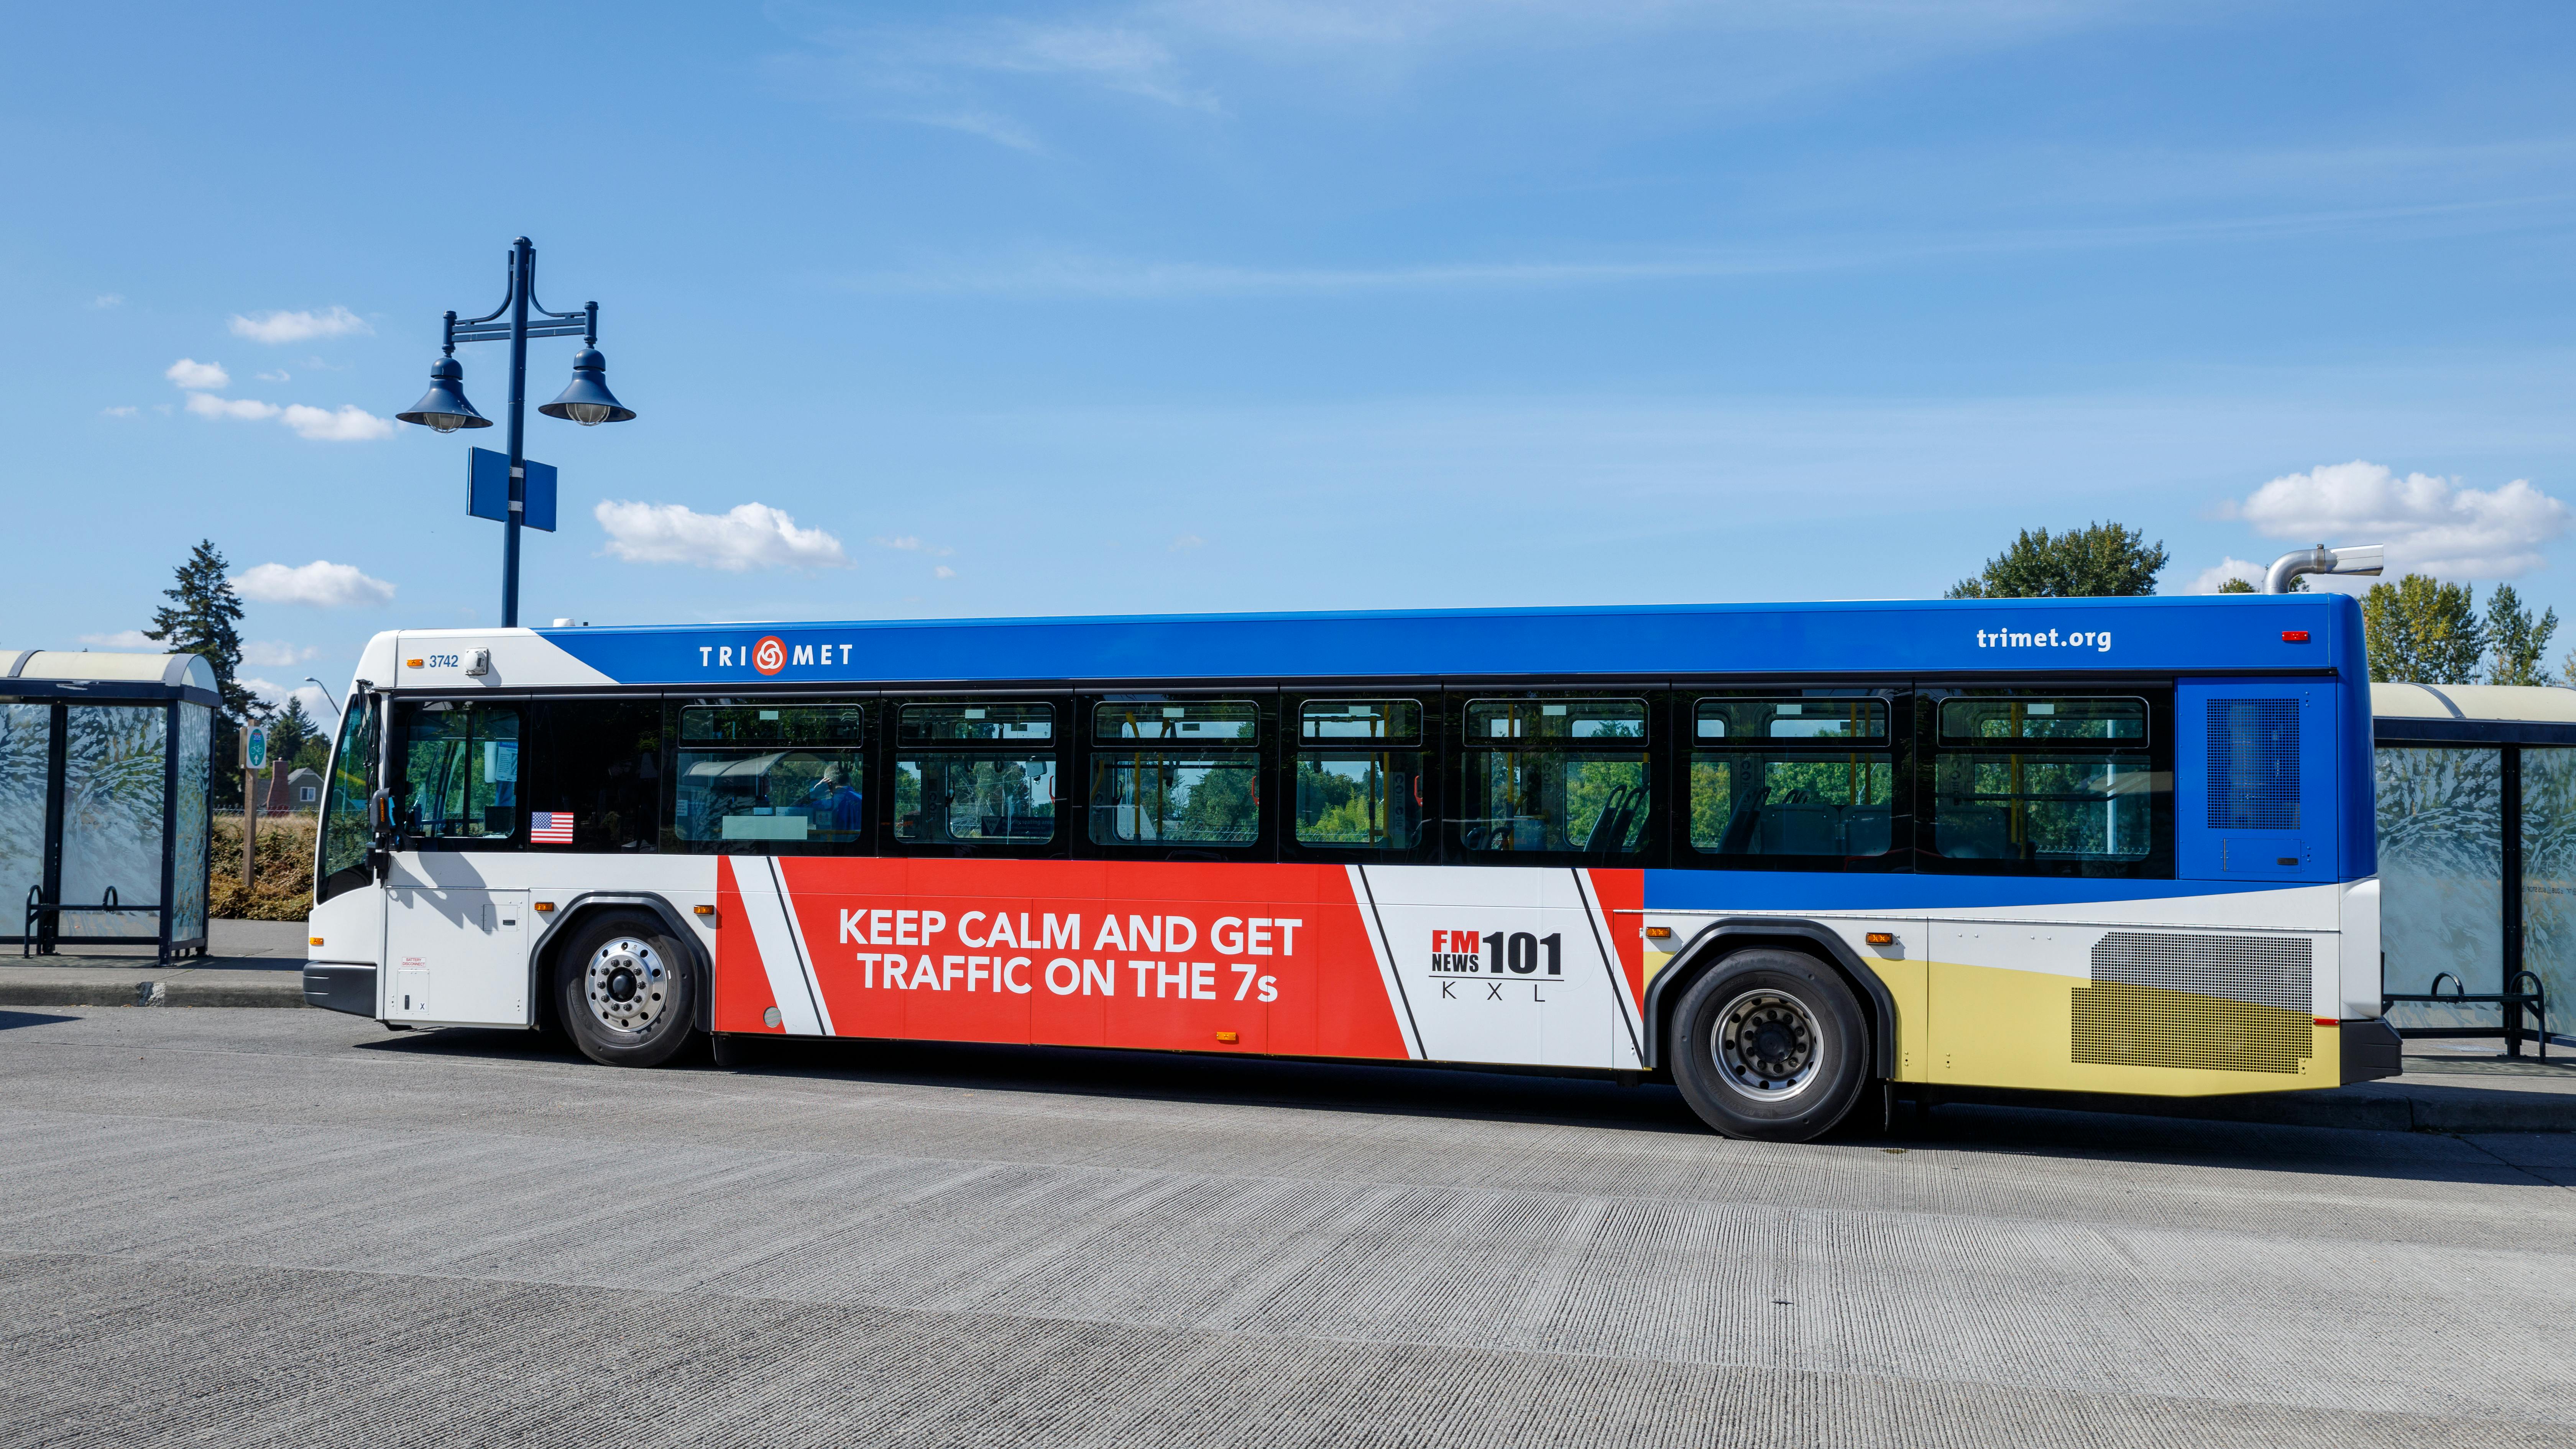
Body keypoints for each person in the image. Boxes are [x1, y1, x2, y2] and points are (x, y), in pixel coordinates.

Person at [807, 762, 866, 836]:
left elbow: (791, 812)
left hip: (829, 847)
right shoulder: (866, 801)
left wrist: (814, 792)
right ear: (850, 780)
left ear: (828, 784)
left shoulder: (822, 806)